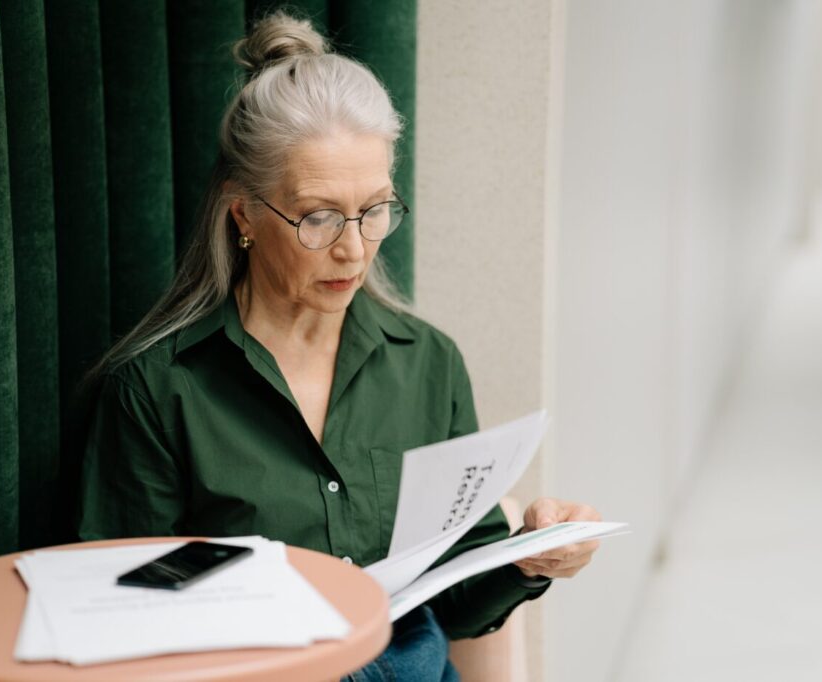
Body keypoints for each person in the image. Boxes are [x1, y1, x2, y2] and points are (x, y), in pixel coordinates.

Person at [78, 11, 601, 681]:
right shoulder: (158, 389)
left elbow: (463, 607)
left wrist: (529, 555)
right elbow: (128, 618)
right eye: (319, 217)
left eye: (375, 209)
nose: (353, 249)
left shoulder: (427, 363)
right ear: (244, 214)